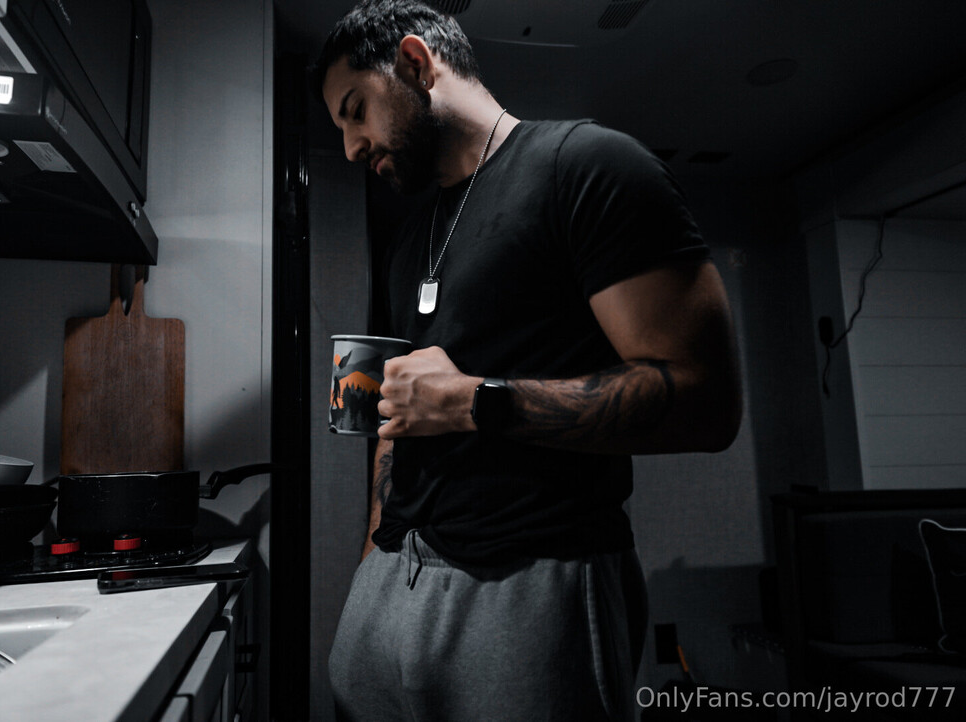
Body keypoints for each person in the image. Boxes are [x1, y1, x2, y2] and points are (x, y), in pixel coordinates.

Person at [315, 1, 742, 719]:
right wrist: (373, 559)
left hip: (531, 579)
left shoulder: (587, 165)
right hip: (391, 577)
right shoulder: (410, 240)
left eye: (356, 111)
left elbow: (706, 400)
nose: (353, 146)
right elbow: (399, 415)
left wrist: (475, 401)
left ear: (416, 64)